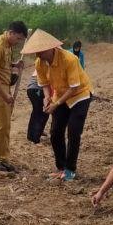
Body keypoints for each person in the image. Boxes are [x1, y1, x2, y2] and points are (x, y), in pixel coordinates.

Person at [22, 28, 93, 181]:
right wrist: (47, 98)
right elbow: (44, 83)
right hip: (60, 94)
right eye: (36, 52)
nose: (38, 55)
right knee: (55, 132)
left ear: (50, 48)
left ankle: (70, 170)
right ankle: (61, 167)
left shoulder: (69, 59)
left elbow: (73, 87)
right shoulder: (39, 62)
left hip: (79, 95)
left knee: (74, 132)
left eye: (40, 51)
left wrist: (56, 104)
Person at [0, 21, 28, 173]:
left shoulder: (8, 46)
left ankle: (2, 157)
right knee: (0, 125)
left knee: (6, 125)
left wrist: (15, 65)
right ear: (11, 33)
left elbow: (4, 66)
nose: (19, 42)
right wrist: (5, 95)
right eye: (18, 38)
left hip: (3, 92)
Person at [26, 71, 49, 144]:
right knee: (42, 113)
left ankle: (32, 135)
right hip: (38, 89)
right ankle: (35, 137)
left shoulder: (43, 63)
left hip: (31, 89)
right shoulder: (48, 64)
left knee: (36, 112)